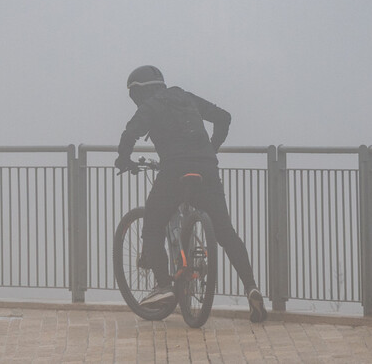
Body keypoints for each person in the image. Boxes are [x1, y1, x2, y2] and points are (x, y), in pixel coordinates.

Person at [115, 65, 268, 323]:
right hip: (207, 170)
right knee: (226, 233)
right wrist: (211, 149)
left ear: (140, 91)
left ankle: (163, 286)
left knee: (152, 226)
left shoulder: (150, 105)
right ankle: (252, 288)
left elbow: (130, 133)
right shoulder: (186, 97)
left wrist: (123, 159)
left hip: (173, 171)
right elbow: (223, 117)